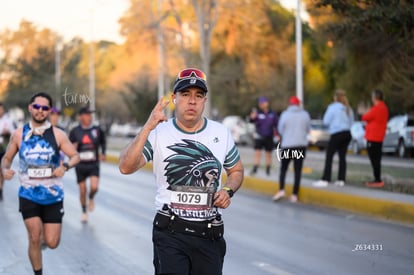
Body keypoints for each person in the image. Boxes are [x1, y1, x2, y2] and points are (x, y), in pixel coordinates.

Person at [119, 68, 244, 275]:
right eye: (185, 94)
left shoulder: (221, 133)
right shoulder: (159, 133)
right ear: (174, 98)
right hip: (170, 233)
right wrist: (148, 126)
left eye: (198, 95)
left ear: (205, 100)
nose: (192, 101)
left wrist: (228, 190)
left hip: (209, 235)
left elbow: (236, 171)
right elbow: (126, 166)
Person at [1, 92, 80, 275]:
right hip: (28, 193)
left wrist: (65, 166)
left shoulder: (58, 134)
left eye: (45, 108)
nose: (40, 111)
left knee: (52, 243)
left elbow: (75, 156)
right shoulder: (19, 134)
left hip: (53, 194)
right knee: (35, 236)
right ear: (30, 108)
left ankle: (44, 235)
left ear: (49, 111)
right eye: (37, 107)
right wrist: (5, 170)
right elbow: (7, 158)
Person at [69, 106, 106, 223]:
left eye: (90, 114)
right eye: (87, 114)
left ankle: (91, 198)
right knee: (82, 190)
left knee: (94, 187)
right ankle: (84, 211)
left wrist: (103, 153)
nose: (89, 117)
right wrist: (73, 150)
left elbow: (103, 142)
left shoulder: (97, 130)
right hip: (80, 165)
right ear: (81, 117)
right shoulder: (75, 131)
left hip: (93, 163)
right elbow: (70, 147)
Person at [273, 96, 311, 203]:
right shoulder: (305, 115)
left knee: (284, 169)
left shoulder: (285, 115)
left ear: (290, 104)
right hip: (300, 146)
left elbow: (280, 129)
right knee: (298, 170)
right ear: (299, 104)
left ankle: (281, 190)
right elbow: (308, 129)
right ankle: (294, 194)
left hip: (287, 146)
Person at [313, 89, 354, 187]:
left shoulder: (332, 107)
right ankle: (341, 179)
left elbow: (326, 121)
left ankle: (325, 179)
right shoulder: (348, 108)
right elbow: (351, 122)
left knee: (329, 156)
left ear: (335, 98)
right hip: (347, 133)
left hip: (337, 133)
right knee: (342, 157)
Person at [361, 89, 389, 188]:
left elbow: (365, 117)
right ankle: (377, 179)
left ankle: (377, 180)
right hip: (379, 137)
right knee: (376, 159)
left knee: (374, 159)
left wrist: (365, 113)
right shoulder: (384, 107)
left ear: (375, 98)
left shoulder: (377, 108)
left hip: (373, 137)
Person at [249, 96, 278, 176]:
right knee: (257, 153)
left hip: (269, 136)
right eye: (260, 103)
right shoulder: (258, 113)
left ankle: (268, 170)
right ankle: (255, 169)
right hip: (259, 136)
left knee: (268, 153)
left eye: (263, 103)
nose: (261, 105)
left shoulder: (272, 113)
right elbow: (251, 121)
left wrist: (278, 135)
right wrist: (252, 118)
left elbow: (276, 125)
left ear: (267, 103)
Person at [0, 102, 16, 201]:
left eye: (1, 109)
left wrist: (8, 132)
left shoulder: (8, 120)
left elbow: (14, 133)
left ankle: (1, 188)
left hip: (3, 147)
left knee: (2, 168)